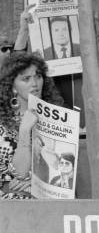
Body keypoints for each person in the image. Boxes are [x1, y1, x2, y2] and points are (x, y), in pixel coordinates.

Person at [0, 53, 63, 199]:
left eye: (38, 76)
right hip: (10, 202)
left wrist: (35, 183)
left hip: (50, 197)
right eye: (26, 79)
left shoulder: (57, 118)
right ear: (12, 86)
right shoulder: (2, 124)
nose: (35, 83)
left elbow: (63, 169)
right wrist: (24, 131)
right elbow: (19, 173)